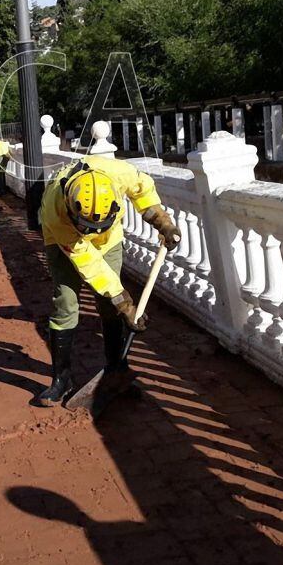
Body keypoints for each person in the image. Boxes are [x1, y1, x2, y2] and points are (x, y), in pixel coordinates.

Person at [33, 155, 181, 408]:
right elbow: (89, 263)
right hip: (64, 243)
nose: (94, 233)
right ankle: (61, 379)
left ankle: (116, 369)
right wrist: (124, 302)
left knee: (109, 305)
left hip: (111, 242)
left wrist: (162, 222)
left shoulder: (119, 174)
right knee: (66, 303)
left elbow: (142, 189)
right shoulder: (54, 210)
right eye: (89, 227)